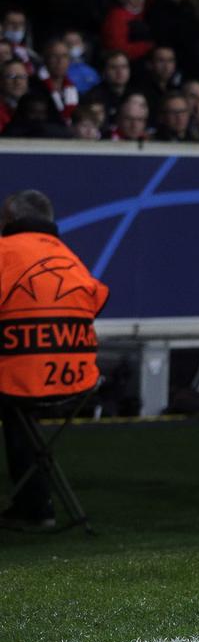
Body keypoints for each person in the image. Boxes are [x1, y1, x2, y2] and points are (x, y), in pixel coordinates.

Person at [0, 190, 109, 531]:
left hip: (20, 381)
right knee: (21, 413)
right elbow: (98, 299)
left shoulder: (4, 252)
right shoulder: (70, 258)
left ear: (9, 220)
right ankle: (36, 506)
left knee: (16, 395)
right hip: (76, 383)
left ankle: (34, 506)